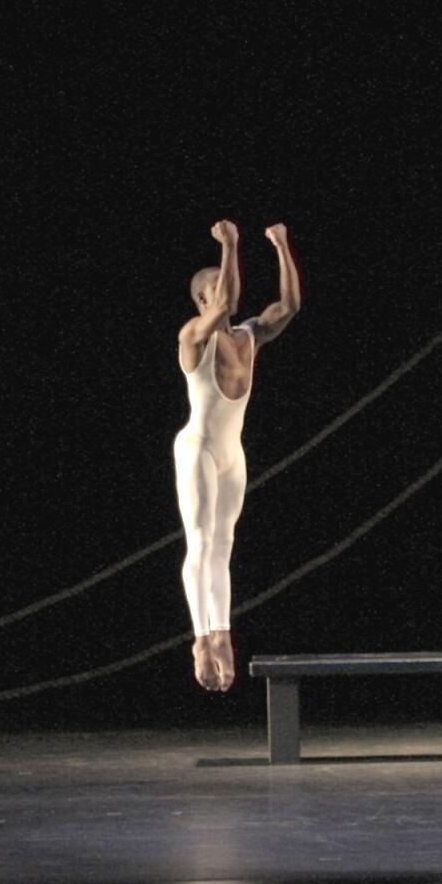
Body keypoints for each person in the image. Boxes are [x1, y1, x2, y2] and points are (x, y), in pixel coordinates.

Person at [176, 220, 301, 691]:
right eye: (215, 290)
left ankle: (223, 633)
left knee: (224, 545)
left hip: (231, 453)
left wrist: (282, 246)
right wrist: (230, 246)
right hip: (197, 450)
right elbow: (227, 300)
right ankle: (200, 638)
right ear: (202, 302)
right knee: (202, 543)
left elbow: (288, 305)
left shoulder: (248, 337)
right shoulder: (193, 336)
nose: (225, 294)